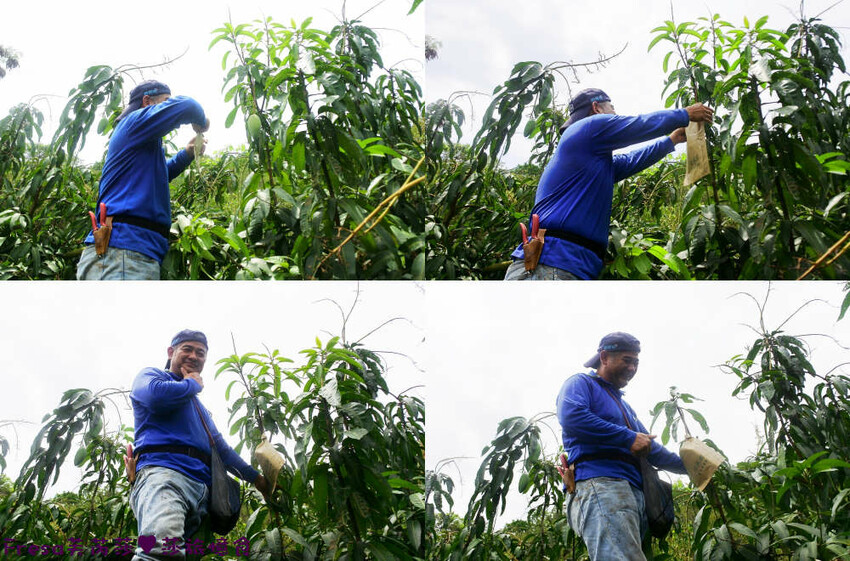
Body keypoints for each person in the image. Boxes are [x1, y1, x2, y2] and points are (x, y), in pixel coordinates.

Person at [504, 88, 714, 280]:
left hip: (566, 266)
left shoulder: (594, 162)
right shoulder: (587, 128)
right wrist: (684, 114)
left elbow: (631, 160)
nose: (615, 113)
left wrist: (672, 140)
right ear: (596, 108)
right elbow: (636, 126)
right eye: (612, 107)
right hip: (552, 263)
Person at [126, 330, 270, 560]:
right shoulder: (152, 376)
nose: (194, 356)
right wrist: (191, 384)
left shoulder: (199, 409)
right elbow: (155, 396)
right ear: (171, 352)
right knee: (160, 553)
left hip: (201, 493)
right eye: (187, 349)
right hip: (164, 477)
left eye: (200, 353)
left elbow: (222, 450)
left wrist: (257, 479)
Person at [555, 332, 687, 561]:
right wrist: (628, 438)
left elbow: (651, 448)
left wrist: (691, 467)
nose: (632, 368)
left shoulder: (624, 407)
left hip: (633, 494)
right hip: (602, 485)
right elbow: (572, 415)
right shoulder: (581, 383)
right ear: (604, 357)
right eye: (627, 360)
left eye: (636, 362)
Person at [76, 80, 210, 280]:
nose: (168, 107)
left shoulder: (144, 141)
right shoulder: (134, 123)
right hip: (122, 252)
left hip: (127, 254)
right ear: (147, 101)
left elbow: (159, 176)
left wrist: (186, 155)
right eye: (165, 102)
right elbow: (188, 105)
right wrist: (201, 120)